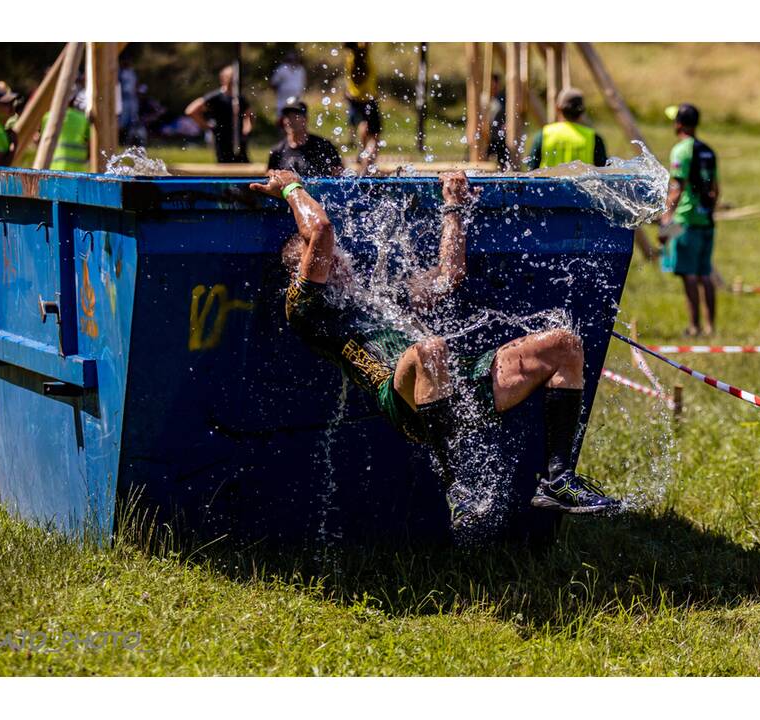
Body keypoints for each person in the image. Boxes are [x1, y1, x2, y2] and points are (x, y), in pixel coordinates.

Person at [247, 169, 620, 528]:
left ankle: (558, 480)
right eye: (325, 262)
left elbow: (448, 276)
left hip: (455, 383)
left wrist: (454, 206)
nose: (337, 265)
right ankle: (458, 488)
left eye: (338, 258)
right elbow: (322, 230)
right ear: (302, 272)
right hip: (403, 398)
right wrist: (291, 188)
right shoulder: (306, 307)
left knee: (564, 345)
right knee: (429, 349)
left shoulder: (378, 297)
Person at [659, 103, 719, 337]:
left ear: (679, 124)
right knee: (705, 273)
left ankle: (694, 327)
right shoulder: (708, 151)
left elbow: (677, 189)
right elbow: (716, 189)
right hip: (706, 221)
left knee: (689, 275)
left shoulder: (681, 151)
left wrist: (666, 221)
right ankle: (711, 327)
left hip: (684, 220)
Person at [185, 65, 253, 163]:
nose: (233, 80)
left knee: (243, 163)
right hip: (222, 139)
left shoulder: (239, 97)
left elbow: (248, 113)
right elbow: (191, 111)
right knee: (225, 164)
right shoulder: (216, 97)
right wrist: (205, 125)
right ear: (223, 78)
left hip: (239, 138)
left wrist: (247, 127)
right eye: (231, 77)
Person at [526, 88, 607, 170]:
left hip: (549, 179)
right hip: (582, 178)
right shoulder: (593, 137)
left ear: (557, 108)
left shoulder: (543, 135)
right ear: (582, 111)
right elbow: (603, 171)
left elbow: (532, 169)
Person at [267, 97, 343, 176]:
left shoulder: (323, 146)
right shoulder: (277, 151)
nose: (290, 120)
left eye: (295, 116)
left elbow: (339, 173)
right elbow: (269, 175)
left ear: (306, 119)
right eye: (287, 116)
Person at [343, 42, 381, 174]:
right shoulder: (365, 55)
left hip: (354, 97)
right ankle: (367, 164)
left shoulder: (350, 57)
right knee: (374, 135)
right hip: (368, 98)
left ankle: (362, 150)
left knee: (363, 124)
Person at [39, 92, 90, 172]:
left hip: (52, 167)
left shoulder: (47, 117)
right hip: (77, 169)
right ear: (73, 100)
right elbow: (89, 143)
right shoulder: (82, 119)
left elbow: (42, 141)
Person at [271, 48, 307, 117]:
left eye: (295, 59)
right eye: (291, 59)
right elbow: (274, 83)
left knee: (295, 115)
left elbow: (303, 83)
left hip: (296, 98)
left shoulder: (301, 70)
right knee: (282, 115)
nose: (293, 61)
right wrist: (280, 92)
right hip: (283, 99)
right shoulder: (282, 68)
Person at [486, 73, 511, 171]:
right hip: (486, 135)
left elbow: (508, 114)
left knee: (503, 161)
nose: (494, 87)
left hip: (498, 135)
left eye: (496, 84)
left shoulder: (502, 99)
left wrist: (507, 124)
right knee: (484, 159)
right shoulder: (484, 98)